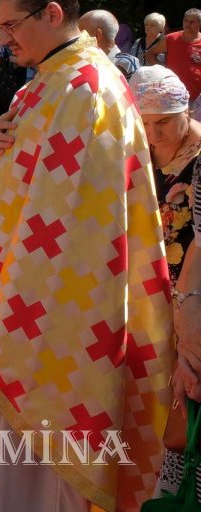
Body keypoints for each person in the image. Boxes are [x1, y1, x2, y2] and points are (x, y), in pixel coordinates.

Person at [0, 0, 172, 512]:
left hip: (54, 304)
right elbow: (25, 168)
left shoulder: (88, 87)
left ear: (52, 14)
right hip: (19, 283)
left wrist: (23, 296)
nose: (4, 38)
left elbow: (79, 214)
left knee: (43, 433)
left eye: (11, 25)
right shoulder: (51, 78)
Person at [125, 66, 201, 500]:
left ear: (185, 111)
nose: (153, 135)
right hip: (146, 291)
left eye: (163, 123)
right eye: (145, 123)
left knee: (184, 397)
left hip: (190, 296)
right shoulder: (136, 150)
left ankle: (173, 490)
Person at [148, 8, 201, 101]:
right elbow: (150, 54)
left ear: (200, 24)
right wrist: (161, 71)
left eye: (192, 22)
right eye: (186, 21)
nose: (187, 25)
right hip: (172, 95)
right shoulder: (171, 38)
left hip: (196, 98)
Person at [80, 8, 139, 79]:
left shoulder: (125, 63)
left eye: (82, 33)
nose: (78, 38)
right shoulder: (85, 60)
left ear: (97, 35)